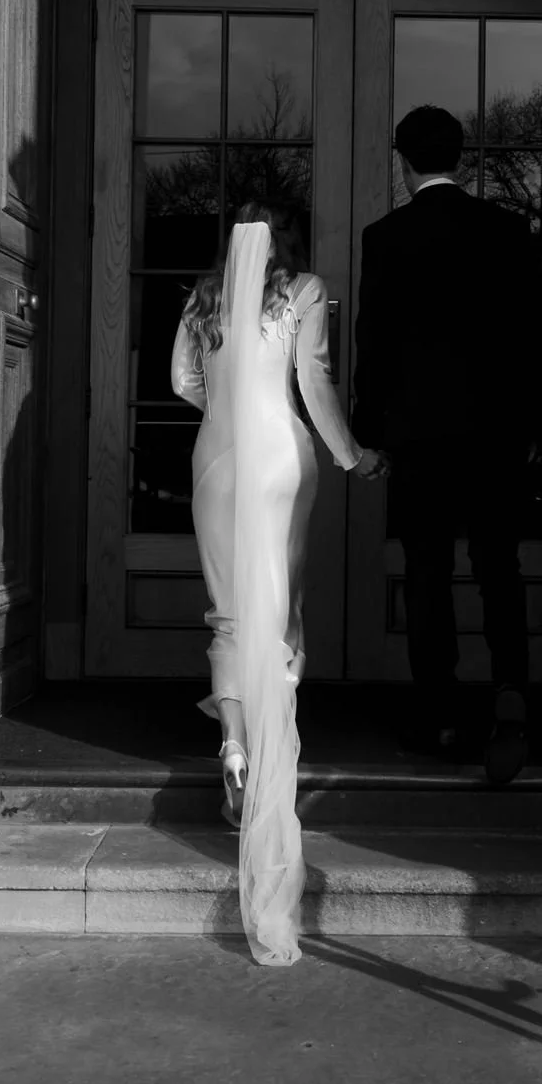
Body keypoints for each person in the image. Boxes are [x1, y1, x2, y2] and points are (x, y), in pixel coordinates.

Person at [169, 199, 386, 966]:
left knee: (229, 611)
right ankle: (271, 737)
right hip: (282, 463)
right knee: (280, 607)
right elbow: (313, 378)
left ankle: (233, 745)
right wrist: (352, 454)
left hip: (218, 461)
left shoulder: (203, 296)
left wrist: (227, 411)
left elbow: (183, 382)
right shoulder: (302, 292)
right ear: (288, 241)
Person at [353, 105, 542, 785]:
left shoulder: (387, 236)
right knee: (500, 568)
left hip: (421, 438)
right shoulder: (506, 229)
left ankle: (438, 710)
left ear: (404, 161)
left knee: (427, 573)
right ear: (460, 159)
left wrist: (367, 433)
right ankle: (510, 692)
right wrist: (530, 428)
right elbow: (532, 337)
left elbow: (371, 345)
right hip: (494, 435)